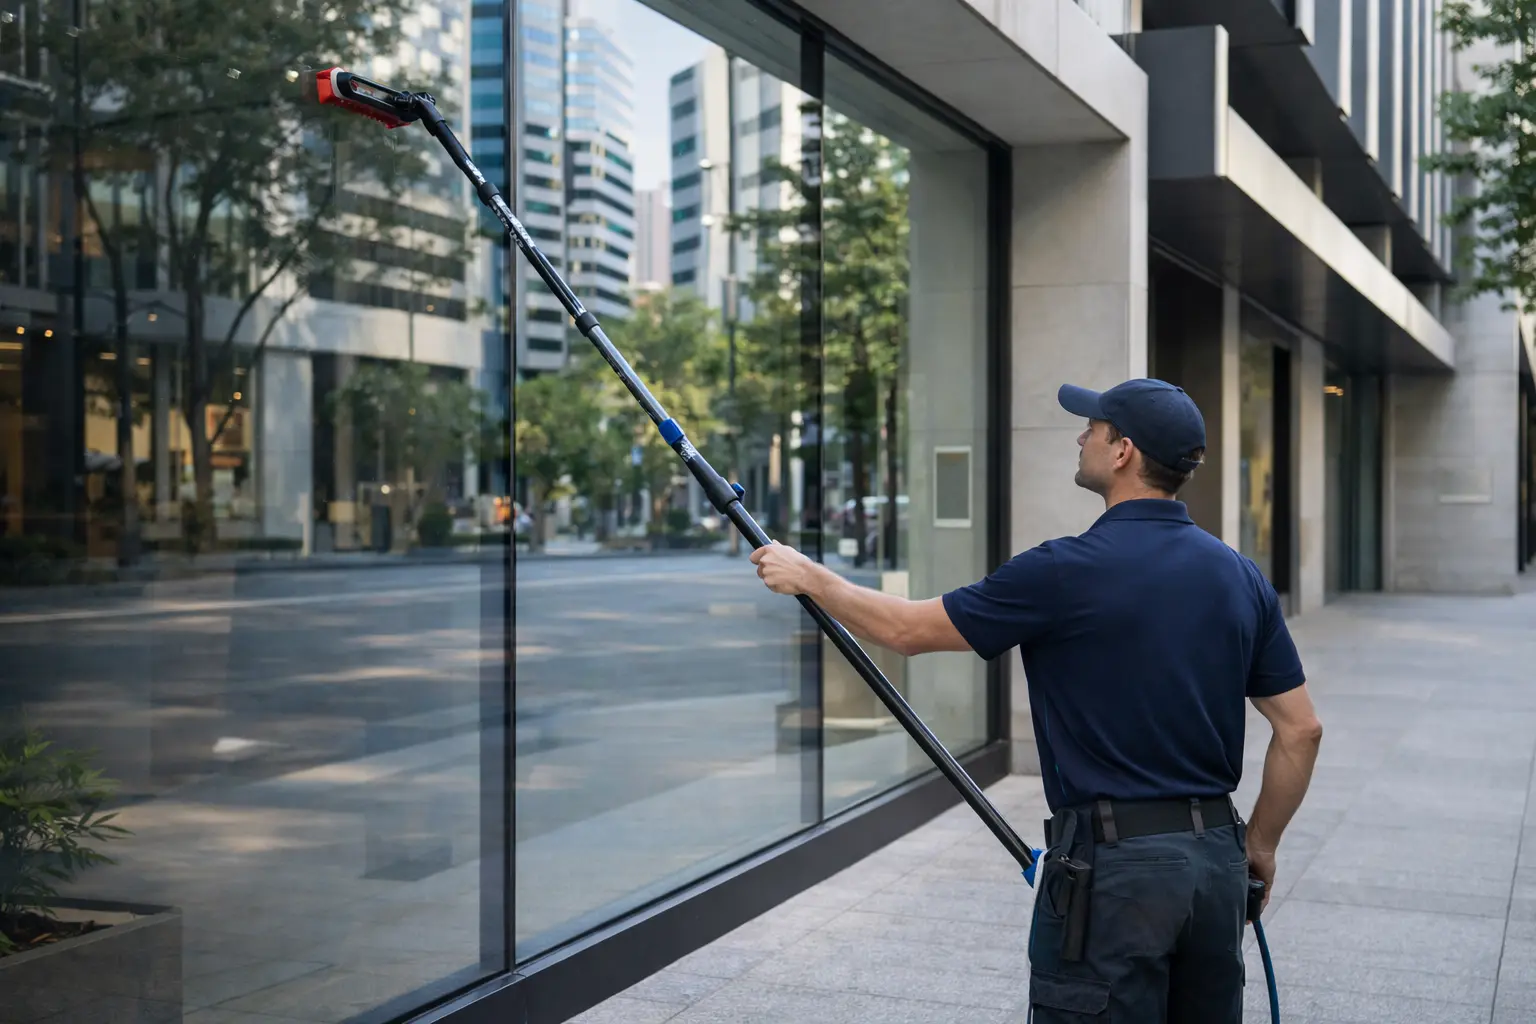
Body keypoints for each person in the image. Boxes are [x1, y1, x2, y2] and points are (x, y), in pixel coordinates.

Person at [750, 377, 1323, 1023]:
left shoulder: (1064, 570)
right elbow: (1300, 730)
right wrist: (1261, 846)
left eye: (1095, 428)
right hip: (1215, 867)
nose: (1081, 437)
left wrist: (812, 577)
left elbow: (908, 631)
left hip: (1115, 878)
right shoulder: (1240, 576)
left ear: (1123, 451)